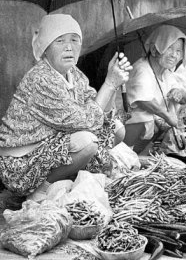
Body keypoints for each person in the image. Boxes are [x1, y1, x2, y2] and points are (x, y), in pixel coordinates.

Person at [0, 14, 132, 201]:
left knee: (116, 129)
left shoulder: (74, 74)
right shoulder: (41, 79)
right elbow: (86, 122)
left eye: (74, 40)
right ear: (45, 49)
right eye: (60, 41)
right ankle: (40, 190)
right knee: (88, 142)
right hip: (21, 162)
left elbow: (98, 111)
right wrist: (109, 83)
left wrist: (115, 81)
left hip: (52, 144)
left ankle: (64, 176)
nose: (69, 47)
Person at [123, 25, 186, 153]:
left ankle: (138, 153)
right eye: (169, 48)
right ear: (154, 50)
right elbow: (143, 99)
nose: (174, 55)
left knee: (161, 122)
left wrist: (180, 93)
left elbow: (184, 98)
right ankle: (128, 153)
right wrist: (167, 116)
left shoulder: (167, 73)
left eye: (178, 51)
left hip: (143, 135)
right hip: (125, 129)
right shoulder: (141, 69)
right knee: (149, 119)